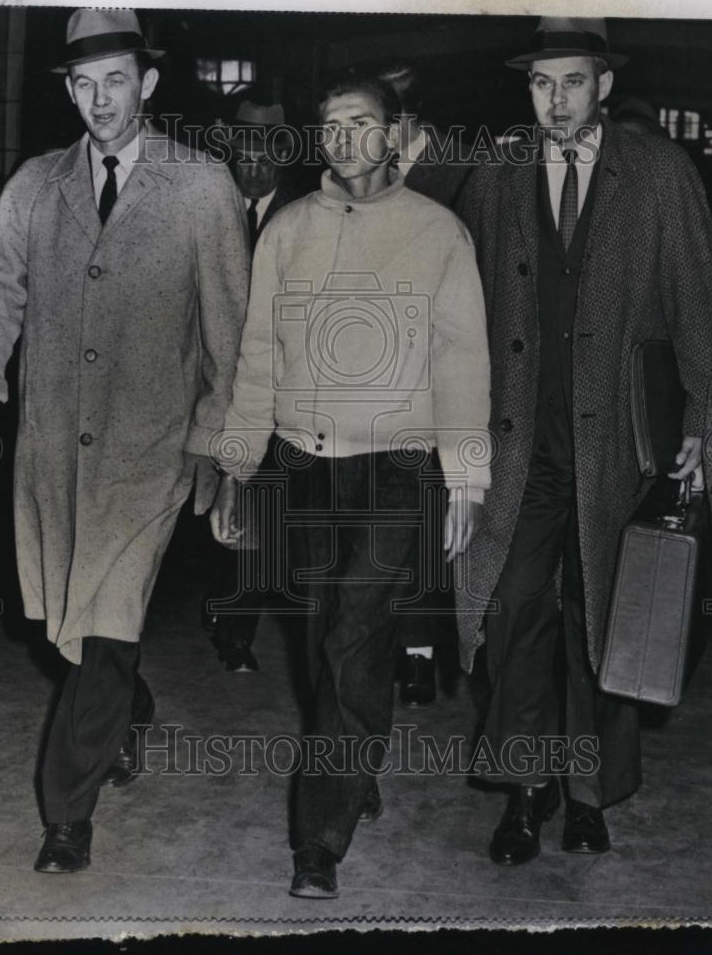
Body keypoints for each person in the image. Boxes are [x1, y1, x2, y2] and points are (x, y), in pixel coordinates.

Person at [0, 8, 249, 874]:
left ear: (147, 84)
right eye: (83, 84)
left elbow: (229, 328)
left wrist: (218, 446)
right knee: (68, 633)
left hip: (149, 452)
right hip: (50, 450)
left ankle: (65, 819)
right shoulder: (36, 186)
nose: (98, 100)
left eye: (115, 79)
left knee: (107, 628)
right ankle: (130, 706)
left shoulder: (201, 186)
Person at [210, 72, 491, 898]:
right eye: (328, 126)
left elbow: (463, 362)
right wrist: (235, 465)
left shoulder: (439, 233)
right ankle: (358, 760)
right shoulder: (288, 231)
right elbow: (257, 357)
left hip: (396, 466)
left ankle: (317, 841)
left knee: (352, 636)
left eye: (359, 123)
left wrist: (465, 480)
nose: (341, 139)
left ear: (395, 131)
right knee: (322, 638)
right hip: (302, 463)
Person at [456, 17, 712, 866]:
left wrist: (701, 423)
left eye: (573, 81)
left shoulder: (657, 172)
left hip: (619, 442)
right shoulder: (498, 172)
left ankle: (586, 794)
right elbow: (458, 306)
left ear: (603, 85)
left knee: (601, 617)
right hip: (520, 440)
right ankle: (525, 792)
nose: (557, 100)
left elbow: (698, 310)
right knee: (513, 609)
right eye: (541, 83)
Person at [378, 62, 476, 706]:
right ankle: (395, 644)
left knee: (427, 516)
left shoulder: (469, 172)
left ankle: (418, 648)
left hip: (441, 378)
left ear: (408, 120)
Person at [204, 100, 302, 673]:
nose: (256, 163)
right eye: (246, 149)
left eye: (267, 151)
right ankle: (220, 610)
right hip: (212, 385)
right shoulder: (208, 209)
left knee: (256, 510)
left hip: (274, 391)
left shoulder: (303, 212)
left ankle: (235, 627)